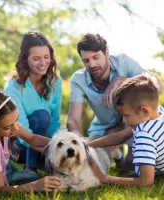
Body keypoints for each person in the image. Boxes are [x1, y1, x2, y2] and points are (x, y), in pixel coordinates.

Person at [67, 33, 162, 172]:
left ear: (106, 53)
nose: (92, 64)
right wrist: (79, 142)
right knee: (92, 163)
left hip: (134, 122)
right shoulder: (78, 79)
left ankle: (127, 157)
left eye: (96, 57)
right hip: (104, 127)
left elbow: (157, 85)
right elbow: (72, 120)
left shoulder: (124, 62)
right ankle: (116, 154)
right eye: (86, 60)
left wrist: (120, 80)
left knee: (131, 167)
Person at [0, 88, 61, 192]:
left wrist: (60, 142)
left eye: (17, 120)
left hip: (3, 167)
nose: (15, 129)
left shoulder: (9, 124)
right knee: (33, 178)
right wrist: (34, 186)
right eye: (8, 127)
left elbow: (32, 138)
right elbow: (0, 189)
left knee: (32, 176)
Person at [90, 73, 164, 186]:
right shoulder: (158, 112)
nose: (124, 120)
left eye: (126, 115)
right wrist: (89, 144)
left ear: (145, 111)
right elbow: (120, 136)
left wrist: (104, 178)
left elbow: (146, 182)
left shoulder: (145, 136)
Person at [4, 31, 62, 172]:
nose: (43, 63)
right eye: (36, 58)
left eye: (46, 57)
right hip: (17, 147)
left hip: (43, 145)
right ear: (25, 59)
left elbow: (54, 122)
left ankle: (44, 164)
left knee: (62, 167)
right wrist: (51, 146)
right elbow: (20, 130)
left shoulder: (55, 82)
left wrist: (58, 148)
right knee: (42, 116)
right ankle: (30, 169)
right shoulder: (13, 86)